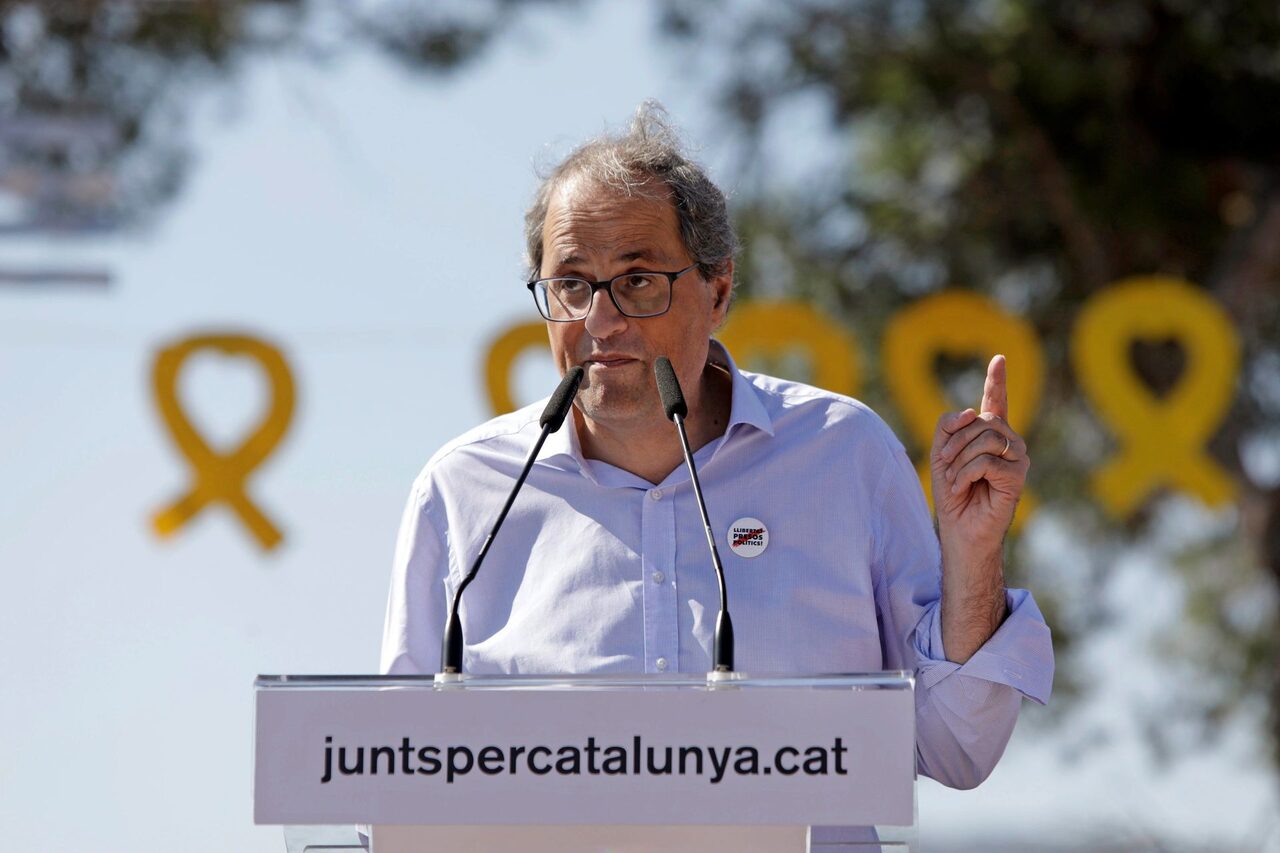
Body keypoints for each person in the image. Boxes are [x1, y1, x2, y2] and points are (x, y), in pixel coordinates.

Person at [381, 102, 1053, 792]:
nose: (600, 320)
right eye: (572, 285)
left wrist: (974, 557)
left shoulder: (844, 454)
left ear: (720, 290)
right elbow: (392, 782)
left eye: (638, 281)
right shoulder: (465, 490)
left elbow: (955, 747)